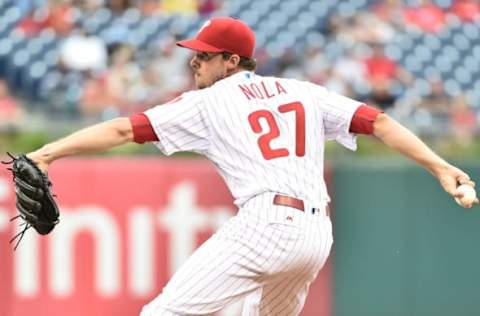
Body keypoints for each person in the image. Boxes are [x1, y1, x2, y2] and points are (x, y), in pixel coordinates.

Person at [25, 17, 477, 316]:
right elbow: (378, 121)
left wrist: (47, 153)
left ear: (232, 61)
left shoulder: (209, 101)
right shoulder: (304, 90)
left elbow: (125, 130)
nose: (194, 60)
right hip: (315, 235)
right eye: (194, 52)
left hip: (266, 224)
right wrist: (440, 167)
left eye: (204, 54)